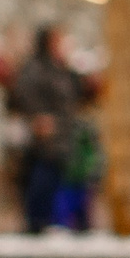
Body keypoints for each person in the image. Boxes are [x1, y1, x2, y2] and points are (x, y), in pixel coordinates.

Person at [7, 26, 89, 232]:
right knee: (41, 183)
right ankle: (38, 225)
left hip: (62, 137)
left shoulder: (62, 69)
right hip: (43, 141)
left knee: (60, 182)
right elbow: (23, 94)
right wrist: (38, 117)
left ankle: (57, 224)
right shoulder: (35, 68)